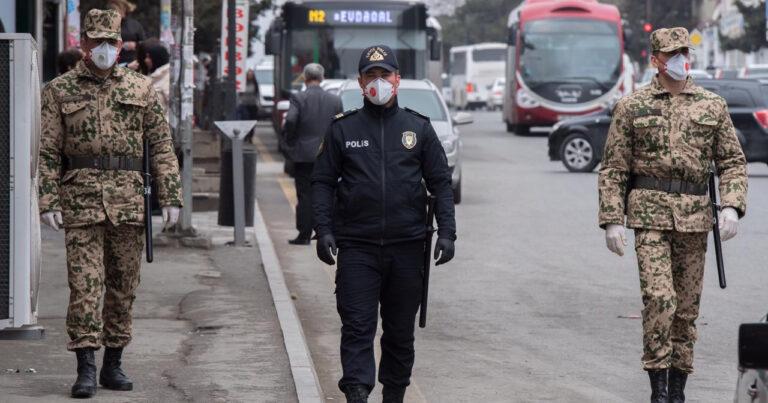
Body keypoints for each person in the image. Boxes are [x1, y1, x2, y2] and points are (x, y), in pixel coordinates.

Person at [598, 27, 747, 403]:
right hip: (649, 214)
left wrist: (731, 205)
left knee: (685, 310)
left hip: (695, 218)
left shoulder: (712, 106)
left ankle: (678, 389)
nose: (680, 59)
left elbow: (732, 162)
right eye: (672, 53)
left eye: (684, 51)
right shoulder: (632, 106)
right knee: (660, 299)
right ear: (655, 60)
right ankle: (658, 389)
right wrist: (612, 218)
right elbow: (613, 168)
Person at [38, 9, 182, 398]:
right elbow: (48, 150)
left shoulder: (140, 88)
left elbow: (163, 146)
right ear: (82, 44)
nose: (104, 48)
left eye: (111, 42)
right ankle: (85, 366)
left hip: (129, 201)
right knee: (84, 287)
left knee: (122, 288)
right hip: (81, 199)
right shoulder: (59, 90)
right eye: (96, 41)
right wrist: (48, 199)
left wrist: (170, 195)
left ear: (121, 45)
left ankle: (112, 364)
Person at [312, 45, 457, 403]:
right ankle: (357, 392)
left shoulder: (418, 128)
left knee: (398, 333)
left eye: (385, 75)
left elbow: (440, 182)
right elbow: (321, 183)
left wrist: (448, 233)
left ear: (398, 79)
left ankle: (394, 394)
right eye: (371, 75)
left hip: (407, 248)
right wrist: (324, 229)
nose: (379, 82)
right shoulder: (342, 130)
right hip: (357, 247)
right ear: (360, 82)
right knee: (357, 327)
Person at [283, 63, 342, 245]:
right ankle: (327, 231)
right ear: (322, 78)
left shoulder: (298, 98)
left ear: (304, 77)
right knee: (329, 193)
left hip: (304, 154)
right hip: (328, 155)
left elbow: (291, 119)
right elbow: (340, 126)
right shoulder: (335, 100)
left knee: (305, 194)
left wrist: (291, 140)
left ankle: (304, 235)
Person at [107, 0, 146, 67]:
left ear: (123, 10)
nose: (112, 12)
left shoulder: (134, 25)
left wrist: (135, 45)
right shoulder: (107, 25)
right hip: (111, 64)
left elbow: (144, 43)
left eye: (114, 9)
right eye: (110, 10)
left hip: (131, 63)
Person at [144, 43, 171, 116]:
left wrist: (164, 126)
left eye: (149, 57)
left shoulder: (167, 78)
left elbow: (171, 108)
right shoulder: (154, 76)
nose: (146, 60)